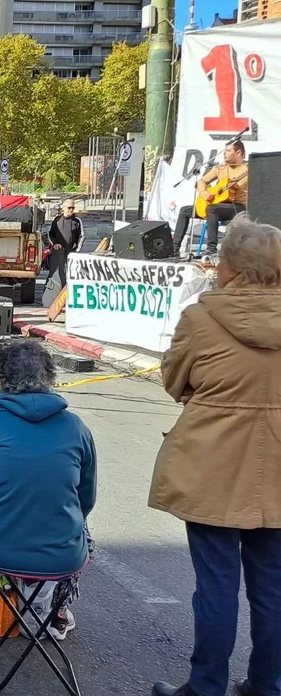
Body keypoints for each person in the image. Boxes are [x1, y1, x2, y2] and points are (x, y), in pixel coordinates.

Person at [150, 216, 281, 696]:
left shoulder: (202, 317)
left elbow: (174, 381)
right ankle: (268, 685)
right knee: (273, 587)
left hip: (212, 464)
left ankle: (206, 686)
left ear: (231, 267)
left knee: (216, 584)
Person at [0, 338, 96, 640]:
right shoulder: (76, 427)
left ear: (2, 378)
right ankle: (57, 613)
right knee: (80, 529)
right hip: (61, 555)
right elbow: (86, 500)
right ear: (49, 377)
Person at [173, 140, 248, 257]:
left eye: (228, 151)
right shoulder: (220, 168)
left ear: (238, 152)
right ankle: (174, 249)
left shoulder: (248, 170)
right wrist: (203, 192)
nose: (224, 154)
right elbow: (201, 181)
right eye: (224, 151)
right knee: (184, 211)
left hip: (238, 206)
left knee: (212, 209)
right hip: (218, 205)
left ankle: (211, 249)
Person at [47, 199, 84, 288]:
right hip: (58, 253)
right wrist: (55, 243)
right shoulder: (57, 220)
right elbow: (50, 233)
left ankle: (67, 294)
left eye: (73, 208)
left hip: (71, 253)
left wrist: (77, 251)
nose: (71, 210)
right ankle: (54, 294)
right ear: (64, 208)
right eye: (69, 207)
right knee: (56, 273)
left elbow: (81, 236)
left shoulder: (77, 221)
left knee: (70, 275)